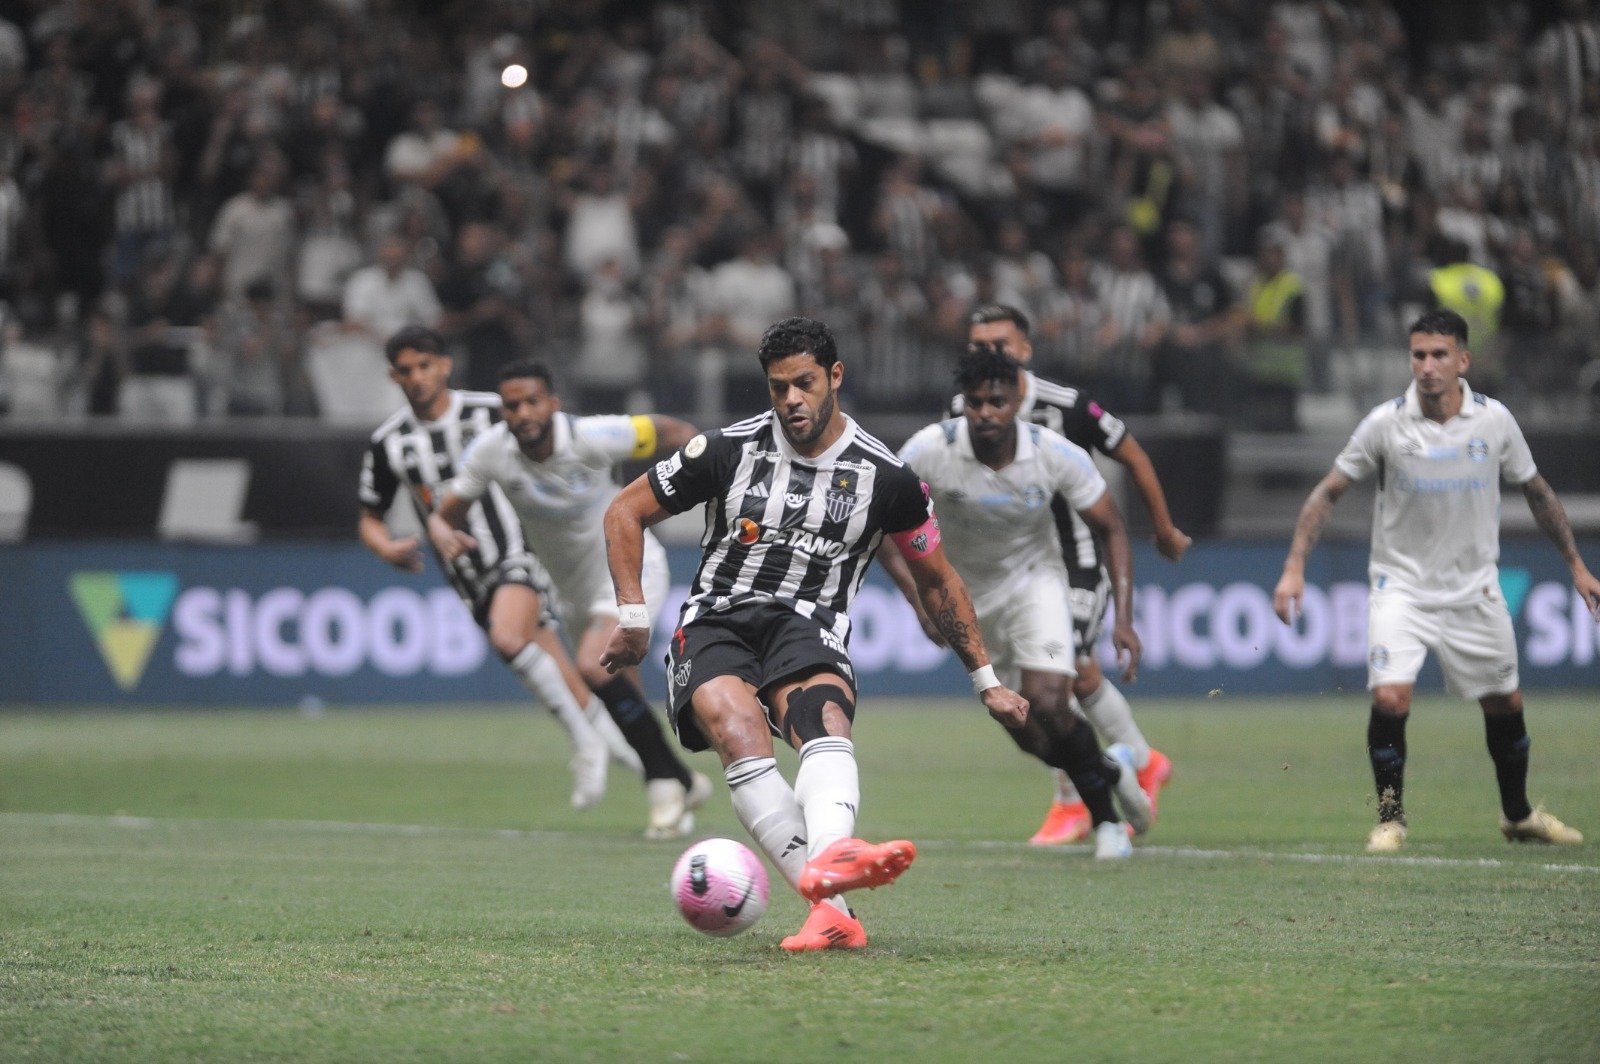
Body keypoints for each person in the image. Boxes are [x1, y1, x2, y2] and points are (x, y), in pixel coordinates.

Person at [600, 316, 1029, 953]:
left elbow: (939, 580)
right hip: (717, 618)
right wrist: (634, 618)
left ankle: (830, 875)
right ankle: (831, 896)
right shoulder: (726, 450)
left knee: (821, 715)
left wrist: (986, 680)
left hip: (809, 623)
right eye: (778, 388)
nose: (791, 400)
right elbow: (625, 510)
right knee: (736, 727)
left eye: (803, 384)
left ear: (835, 377)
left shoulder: (889, 479)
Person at [1273, 309, 1598, 853]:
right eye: (1419, 355)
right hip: (1400, 588)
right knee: (1392, 698)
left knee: (1505, 703)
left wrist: (1576, 565)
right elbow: (1330, 490)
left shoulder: (1494, 422)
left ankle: (1517, 816)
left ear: (1463, 361)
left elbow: (1537, 492)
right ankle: (1390, 819)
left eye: (1439, 355)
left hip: (1475, 589)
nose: (1427, 366)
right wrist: (1293, 566)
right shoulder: (1385, 422)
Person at [359, 326, 639, 815]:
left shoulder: (497, 409)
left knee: (508, 638)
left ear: (444, 365)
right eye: (405, 370)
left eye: (425, 365)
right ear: (393, 376)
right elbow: (369, 515)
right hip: (469, 577)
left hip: (523, 550)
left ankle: (587, 746)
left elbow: (564, 445)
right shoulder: (390, 442)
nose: (417, 378)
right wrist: (384, 548)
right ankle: (660, 776)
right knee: (569, 681)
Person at [887, 346, 1153, 859]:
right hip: (967, 601)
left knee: (1052, 698)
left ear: (1016, 402)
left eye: (997, 402)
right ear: (962, 404)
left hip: (1038, 585)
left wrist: (1124, 617)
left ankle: (1107, 825)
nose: (986, 413)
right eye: (975, 403)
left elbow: (1112, 526)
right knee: (1030, 733)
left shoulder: (1052, 451)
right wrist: (921, 601)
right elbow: (883, 526)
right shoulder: (928, 450)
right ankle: (1112, 769)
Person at [427, 360, 711, 838]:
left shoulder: (597, 436)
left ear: (553, 405)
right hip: (572, 595)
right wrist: (441, 532)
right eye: (511, 406)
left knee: (594, 667)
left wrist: (698, 486)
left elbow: (678, 431)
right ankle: (682, 780)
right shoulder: (492, 452)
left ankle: (664, 785)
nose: (522, 413)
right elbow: (447, 511)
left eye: (532, 401)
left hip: (631, 572)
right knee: (622, 693)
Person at [964, 304, 1189, 846]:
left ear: (1026, 350)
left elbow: (1132, 454)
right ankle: (1142, 758)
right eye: (978, 346)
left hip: (1078, 560)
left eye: (1000, 344)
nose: (989, 355)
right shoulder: (967, 410)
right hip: (1015, 571)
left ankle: (1073, 800)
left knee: (1058, 679)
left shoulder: (1067, 406)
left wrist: (1161, 527)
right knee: (1062, 679)